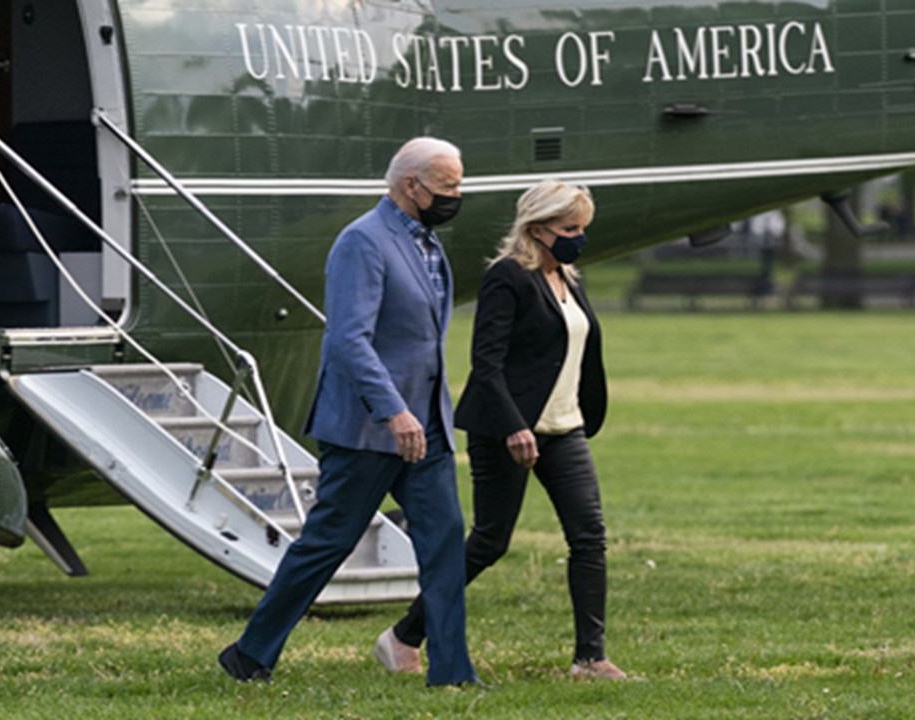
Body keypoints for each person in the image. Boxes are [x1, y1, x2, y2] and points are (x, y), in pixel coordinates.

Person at [219, 137, 477, 687]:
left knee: (445, 538)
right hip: (370, 427)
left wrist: (422, 413)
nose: (458, 195)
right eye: (449, 186)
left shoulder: (428, 243)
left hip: (425, 425)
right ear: (412, 185)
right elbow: (348, 340)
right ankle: (249, 654)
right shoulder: (362, 241)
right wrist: (392, 411)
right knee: (327, 544)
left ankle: (452, 674)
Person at [374, 179, 626, 680]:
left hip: (564, 429)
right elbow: (485, 364)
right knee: (490, 541)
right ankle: (403, 636)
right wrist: (514, 426)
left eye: (583, 228)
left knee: (589, 536)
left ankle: (590, 658)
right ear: (537, 229)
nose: (579, 236)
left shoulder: (569, 278)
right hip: (505, 430)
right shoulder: (507, 277)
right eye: (569, 227)